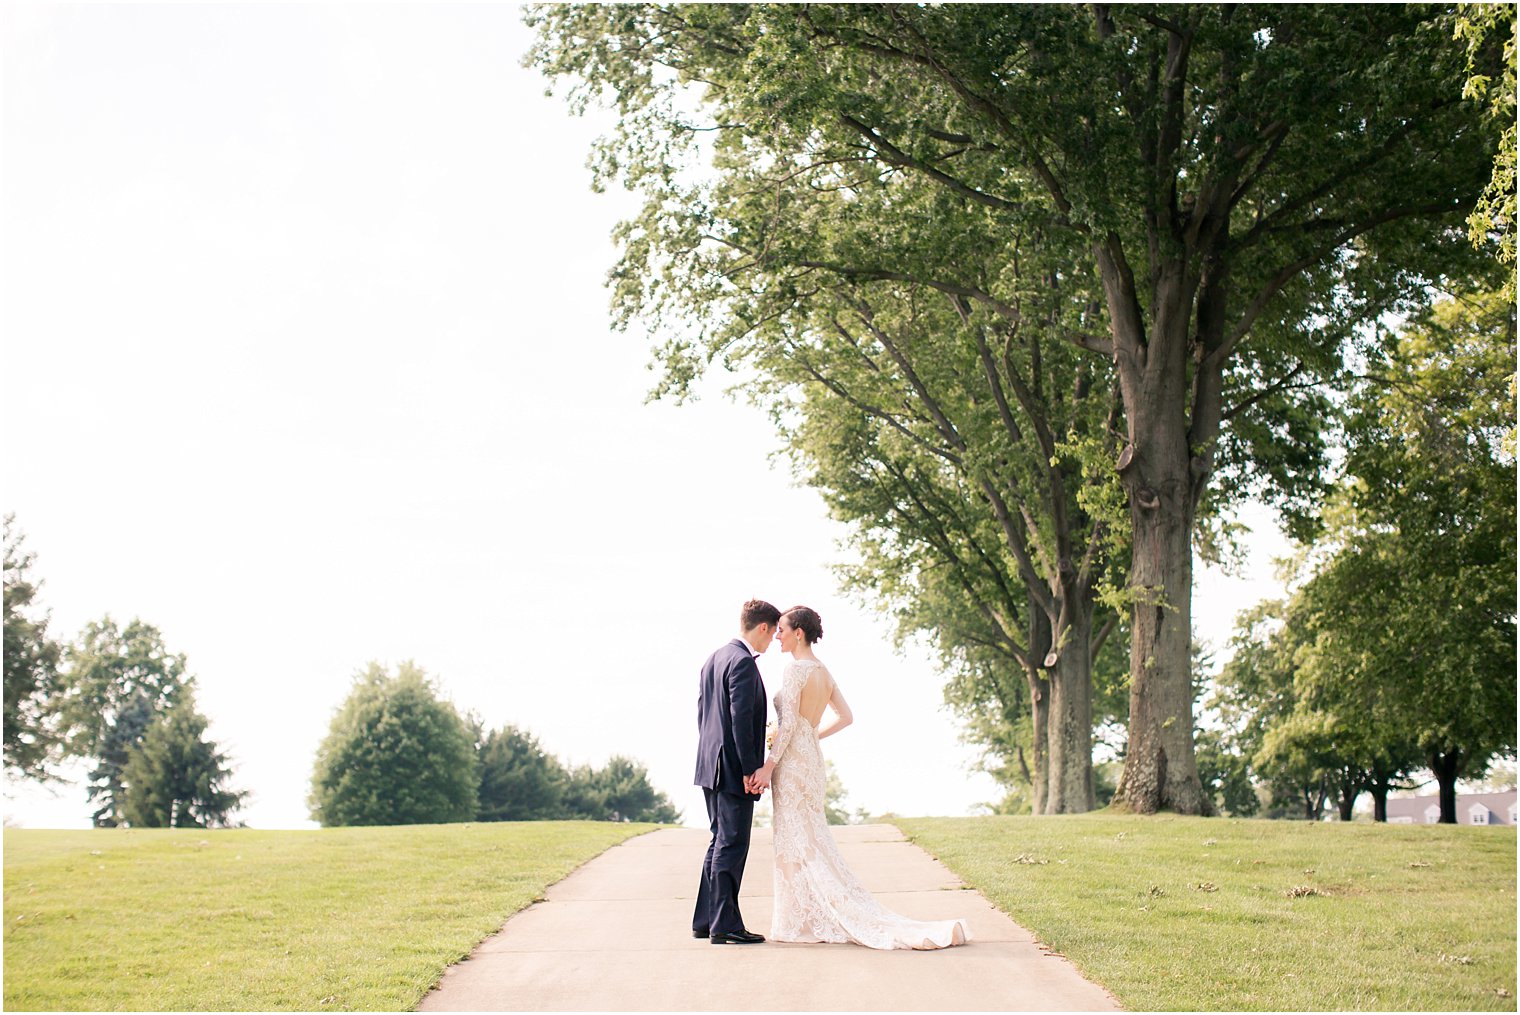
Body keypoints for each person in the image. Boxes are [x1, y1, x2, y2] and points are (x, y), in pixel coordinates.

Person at [750, 605, 971, 950]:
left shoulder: (795, 670)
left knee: (796, 840)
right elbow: (846, 717)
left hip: (793, 764)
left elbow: (790, 723)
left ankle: (798, 922)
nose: (776, 635)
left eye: (782, 629)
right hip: (811, 762)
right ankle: (806, 915)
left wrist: (769, 764)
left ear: (799, 633)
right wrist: (813, 738)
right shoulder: (823, 671)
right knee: (811, 838)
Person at [691, 598, 780, 944]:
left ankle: (706, 919)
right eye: (772, 634)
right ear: (762, 627)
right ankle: (725, 925)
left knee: (719, 841)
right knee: (732, 844)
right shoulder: (742, 662)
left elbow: (704, 714)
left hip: (709, 764)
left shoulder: (714, 658)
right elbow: (741, 718)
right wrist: (749, 769)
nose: (771, 642)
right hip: (731, 769)